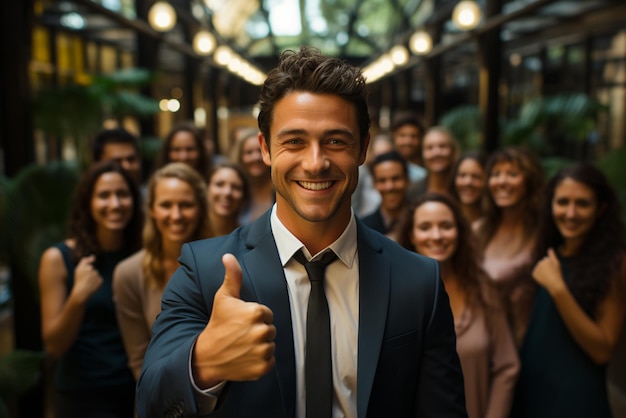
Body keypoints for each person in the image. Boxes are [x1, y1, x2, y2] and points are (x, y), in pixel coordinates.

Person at [136, 46, 467, 418]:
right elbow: (150, 403)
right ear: (265, 149)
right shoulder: (206, 271)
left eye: (336, 141)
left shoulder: (418, 281)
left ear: (363, 149)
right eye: (294, 142)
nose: (315, 163)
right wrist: (204, 364)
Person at [511, 163, 626, 418]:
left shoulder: (615, 263)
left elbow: (602, 350)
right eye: (562, 202)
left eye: (582, 204)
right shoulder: (547, 253)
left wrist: (558, 288)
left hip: (575, 401)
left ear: (601, 208)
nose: (571, 213)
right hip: (532, 393)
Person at [38, 160, 143, 418]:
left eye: (122, 194)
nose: (115, 204)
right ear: (88, 203)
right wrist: (77, 297)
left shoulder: (141, 256)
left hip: (136, 388)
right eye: (104, 196)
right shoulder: (58, 258)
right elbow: (54, 346)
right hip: (82, 394)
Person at [409, 193, 519, 418]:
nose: (437, 235)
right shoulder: (397, 292)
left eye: (446, 226)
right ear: (411, 235)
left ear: (459, 231)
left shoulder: (482, 289)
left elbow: (507, 366)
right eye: (425, 227)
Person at [113, 162, 211, 380]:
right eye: (166, 205)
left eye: (186, 205)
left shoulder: (224, 265)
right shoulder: (129, 273)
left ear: (201, 208)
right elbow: (140, 361)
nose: (176, 215)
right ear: (151, 210)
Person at [475, 146, 544, 345]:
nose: (502, 181)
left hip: (526, 341)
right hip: (482, 340)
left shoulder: (542, 235)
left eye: (512, 174)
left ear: (530, 182)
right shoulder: (479, 230)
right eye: (496, 174)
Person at [362, 150, 412, 247]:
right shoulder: (363, 228)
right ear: (374, 184)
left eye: (396, 178)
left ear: (407, 180)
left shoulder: (422, 223)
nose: (389, 187)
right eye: (382, 180)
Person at [230, 127, 275, 224]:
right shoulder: (234, 190)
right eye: (249, 153)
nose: (256, 157)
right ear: (240, 156)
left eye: (260, 151)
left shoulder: (281, 189)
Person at [206, 162, 250, 237]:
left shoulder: (249, 237)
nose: (227, 192)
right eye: (219, 184)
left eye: (236, 187)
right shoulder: (190, 233)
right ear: (207, 188)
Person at [417, 126, 459, 197]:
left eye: (442, 146)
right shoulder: (414, 192)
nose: (436, 153)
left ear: (453, 151)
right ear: (423, 154)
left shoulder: (462, 187)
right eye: (430, 148)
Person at [389, 112, 427, 189]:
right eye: (402, 136)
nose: (408, 141)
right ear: (393, 137)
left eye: (413, 136)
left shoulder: (428, 169)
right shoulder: (383, 165)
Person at [449, 151, 488, 225]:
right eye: (462, 175)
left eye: (476, 176)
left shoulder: (497, 224)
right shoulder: (446, 218)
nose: (468, 182)